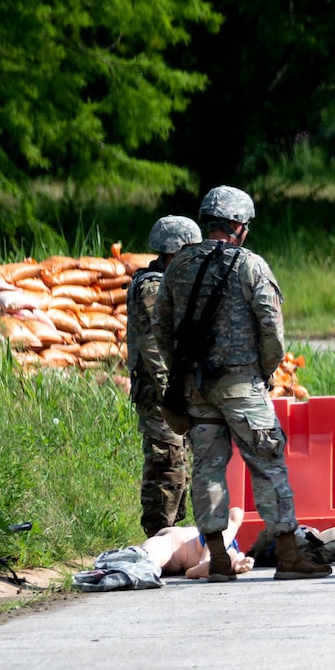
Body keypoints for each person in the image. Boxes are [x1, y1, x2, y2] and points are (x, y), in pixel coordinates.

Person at [153, 186, 330, 581]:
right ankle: (288, 555)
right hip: (242, 385)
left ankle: (217, 560)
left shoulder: (179, 265)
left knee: (208, 470)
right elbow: (272, 331)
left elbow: (161, 328)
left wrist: (181, 373)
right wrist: (264, 374)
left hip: (196, 388)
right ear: (238, 226)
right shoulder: (251, 265)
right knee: (267, 465)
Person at [128, 215, 200, 538]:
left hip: (170, 391)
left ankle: (167, 534)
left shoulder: (170, 283)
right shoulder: (153, 286)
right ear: (174, 251)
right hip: (160, 394)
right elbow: (155, 348)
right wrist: (174, 394)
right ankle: (158, 533)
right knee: (166, 462)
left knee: (178, 463)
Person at [139, 507, 254, 579]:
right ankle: (223, 564)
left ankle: (208, 561)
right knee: (145, 562)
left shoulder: (168, 537)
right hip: (214, 548)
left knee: (144, 559)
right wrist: (238, 562)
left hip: (187, 545)